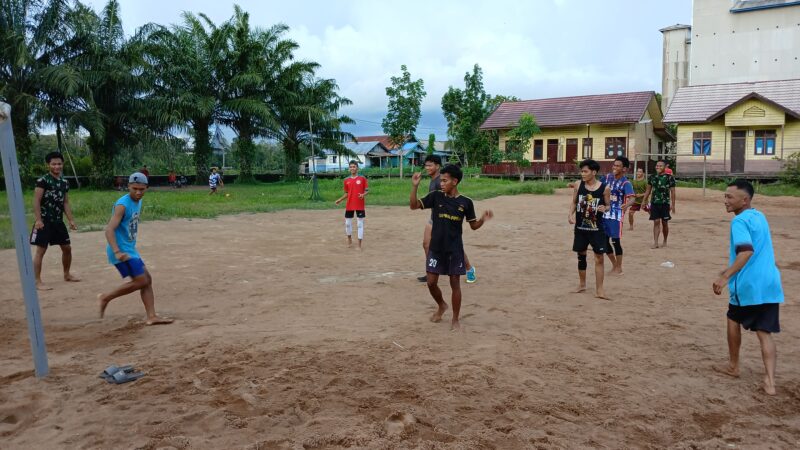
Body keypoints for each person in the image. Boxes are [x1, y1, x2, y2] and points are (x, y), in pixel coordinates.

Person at [712, 180, 783, 396]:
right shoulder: (759, 216)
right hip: (770, 282)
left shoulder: (739, 221)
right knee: (764, 332)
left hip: (749, 284)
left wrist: (725, 276)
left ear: (745, 200)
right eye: (725, 196)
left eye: (730, 197)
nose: (725, 201)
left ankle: (733, 366)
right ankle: (770, 382)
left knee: (733, 318)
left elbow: (746, 252)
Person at [410, 164, 492, 331]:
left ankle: (455, 319)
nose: (441, 183)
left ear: (455, 181)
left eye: (445, 180)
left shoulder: (466, 203)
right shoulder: (436, 197)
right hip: (436, 249)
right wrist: (415, 187)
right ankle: (441, 305)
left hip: (454, 250)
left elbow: (473, 226)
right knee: (431, 283)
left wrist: (483, 219)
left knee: (455, 284)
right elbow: (413, 205)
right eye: (441, 180)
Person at [98, 172, 173, 325]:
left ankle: (151, 316)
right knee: (141, 281)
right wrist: (117, 251)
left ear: (146, 188)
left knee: (147, 280)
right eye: (134, 189)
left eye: (142, 189)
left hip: (129, 249)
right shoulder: (122, 205)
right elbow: (109, 230)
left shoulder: (138, 201)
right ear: (128, 187)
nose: (138, 192)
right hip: (120, 250)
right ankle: (106, 297)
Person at [417, 155, 477, 283]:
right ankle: (431, 270)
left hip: (443, 219)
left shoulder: (442, 180)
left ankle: (469, 268)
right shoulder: (434, 180)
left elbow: (449, 198)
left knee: (454, 247)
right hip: (434, 217)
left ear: (437, 166)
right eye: (426, 165)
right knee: (426, 244)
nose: (427, 168)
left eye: (430, 165)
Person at [30, 152, 80, 290]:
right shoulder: (43, 181)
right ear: (48, 165)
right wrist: (38, 220)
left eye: (59, 163)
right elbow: (36, 201)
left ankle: (67, 274)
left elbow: (65, 203)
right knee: (41, 251)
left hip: (58, 221)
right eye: (54, 164)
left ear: (62, 164)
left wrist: (71, 220)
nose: (57, 166)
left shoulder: (64, 182)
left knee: (67, 248)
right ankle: (37, 281)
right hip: (44, 221)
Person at [568, 159, 610, 299]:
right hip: (580, 228)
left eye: (585, 171)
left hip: (597, 229)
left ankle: (600, 290)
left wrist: (605, 208)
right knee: (581, 256)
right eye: (582, 171)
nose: (582, 174)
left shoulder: (604, 188)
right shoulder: (578, 185)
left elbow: (608, 205)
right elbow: (574, 201)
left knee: (599, 258)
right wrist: (570, 214)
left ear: (594, 172)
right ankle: (582, 284)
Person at [602, 156, 635, 275]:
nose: (614, 167)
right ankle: (615, 265)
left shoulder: (626, 183)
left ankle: (619, 267)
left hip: (616, 216)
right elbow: (597, 187)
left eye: (618, 166)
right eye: (614, 165)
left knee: (616, 241)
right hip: (604, 214)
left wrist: (626, 205)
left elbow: (632, 198)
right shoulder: (606, 178)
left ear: (624, 169)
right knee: (604, 242)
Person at [640, 159, 676, 249]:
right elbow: (648, 190)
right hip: (654, 203)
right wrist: (644, 201)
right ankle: (655, 242)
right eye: (657, 165)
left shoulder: (669, 177)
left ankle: (665, 240)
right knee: (656, 221)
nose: (658, 167)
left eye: (660, 166)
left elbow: (673, 192)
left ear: (665, 167)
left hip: (665, 203)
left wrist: (673, 204)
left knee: (664, 223)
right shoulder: (652, 177)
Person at [335, 160, 369, 250]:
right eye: (351, 167)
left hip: (359, 205)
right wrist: (340, 200)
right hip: (349, 205)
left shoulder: (362, 178)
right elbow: (347, 193)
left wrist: (363, 195)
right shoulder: (346, 180)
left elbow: (367, 191)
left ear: (357, 168)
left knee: (359, 224)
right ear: (349, 168)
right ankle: (349, 239)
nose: (352, 168)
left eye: (354, 166)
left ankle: (359, 244)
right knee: (347, 224)